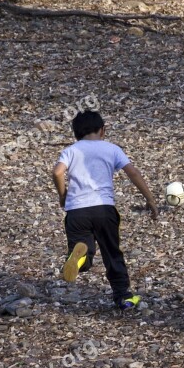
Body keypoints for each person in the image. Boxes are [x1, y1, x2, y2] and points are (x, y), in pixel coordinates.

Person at [51, 110, 159, 310]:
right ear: (102, 130)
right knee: (112, 253)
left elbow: (57, 172)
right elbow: (133, 173)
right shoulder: (112, 149)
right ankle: (123, 297)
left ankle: (79, 259)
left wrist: (62, 195)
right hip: (104, 209)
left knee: (83, 250)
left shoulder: (71, 150)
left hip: (77, 211)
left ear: (76, 133)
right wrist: (150, 200)